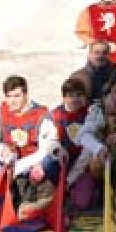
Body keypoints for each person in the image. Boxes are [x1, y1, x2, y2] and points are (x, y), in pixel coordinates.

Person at [0, 75, 57, 204]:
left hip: (33, 160)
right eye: (8, 96)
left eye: (17, 96)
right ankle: (5, 193)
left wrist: (24, 165)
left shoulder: (41, 114)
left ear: (26, 95)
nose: (12, 101)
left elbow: (48, 147)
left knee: (47, 163)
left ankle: (33, 186)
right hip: (7, 158)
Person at [42, 75, 99, 210]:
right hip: (64, 160)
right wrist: (58, 150)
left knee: (81, 203)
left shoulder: (92, 114)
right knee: (47, 162)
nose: (75, 99)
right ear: (64, 97)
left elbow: (88, 151)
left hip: (84, 164)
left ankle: (73, 186)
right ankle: (60, 188)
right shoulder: (53, 115)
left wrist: (70, 179)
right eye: (70, 95)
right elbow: (48, 141)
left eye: (79, 95)